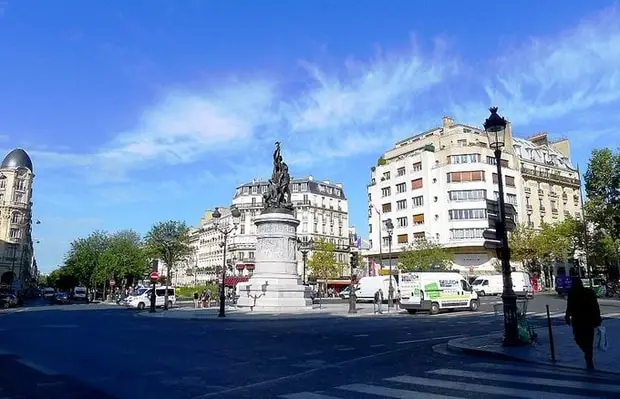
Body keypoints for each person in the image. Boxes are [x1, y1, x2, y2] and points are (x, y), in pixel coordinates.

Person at [565, 277, 602, 370]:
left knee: (584, 339)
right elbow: (569, 307)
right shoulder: (573, 293)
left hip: (585, 320)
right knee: (581, 339)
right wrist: (567, 316)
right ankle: (588, 354)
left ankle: (588, 357)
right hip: (580, 320)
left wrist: (597, 319)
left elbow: (595, 306)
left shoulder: (587, 293)